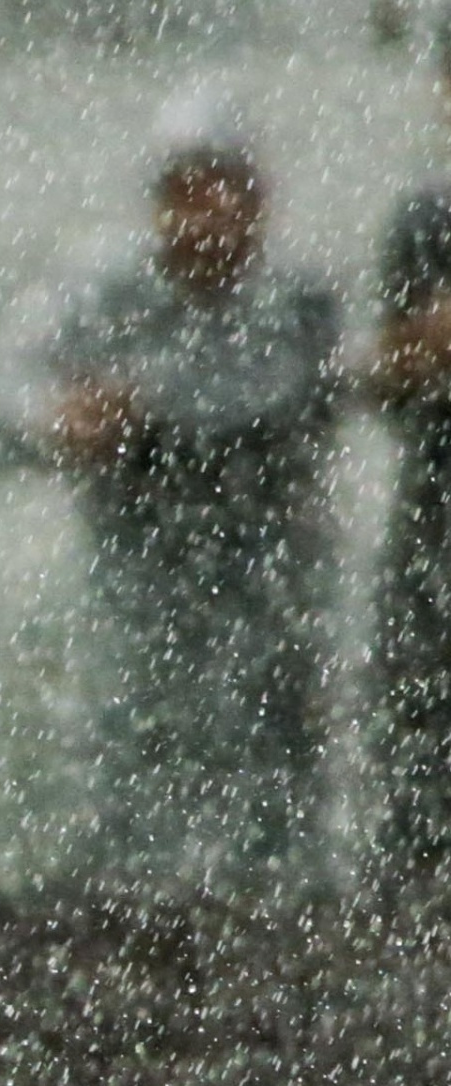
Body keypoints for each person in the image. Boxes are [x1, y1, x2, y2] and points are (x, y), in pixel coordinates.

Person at [30, 103, 341, 889]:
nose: (209, 216)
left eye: (225, 192)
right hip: (139, 588)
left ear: (259, 204)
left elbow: (269, 396)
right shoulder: (110, 296)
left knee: (274, 806)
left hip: (269, 585)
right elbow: (10, 392)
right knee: (129, 789)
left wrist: (141, 403)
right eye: (188, 194)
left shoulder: (301, 300)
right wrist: (61, 417)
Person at [369, 29, 451, 889]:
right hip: (435, 508)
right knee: (418, 732)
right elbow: (375, 376)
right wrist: (421, 346)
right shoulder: (426, 217)